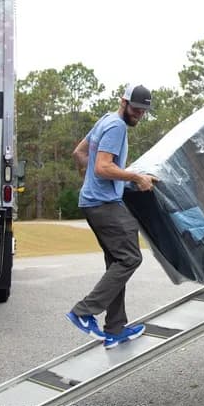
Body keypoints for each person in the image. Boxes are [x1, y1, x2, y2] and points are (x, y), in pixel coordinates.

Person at [66, 83, 157, 349]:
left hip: (93, 202)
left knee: (117, 262)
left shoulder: (105, 120)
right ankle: (83, 312)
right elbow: (103, 167)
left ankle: (115, 328)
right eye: (136, 109)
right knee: (130, 258)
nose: (139, 114)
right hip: (104, 205)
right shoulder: (116, 126)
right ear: (123, 102)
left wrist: (97, 178)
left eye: (143, 111)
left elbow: (79, 153)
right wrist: (135, 177)